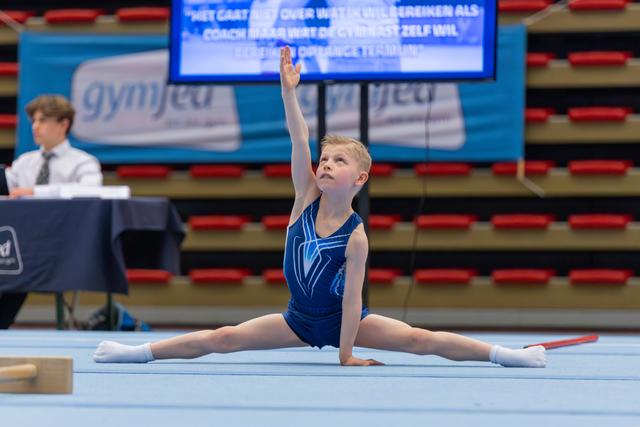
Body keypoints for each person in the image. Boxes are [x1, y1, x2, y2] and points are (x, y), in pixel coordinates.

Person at [93, 47, 546, 368]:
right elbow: (299, 137)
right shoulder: (304, 199)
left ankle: (506, 355)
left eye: (338, 161)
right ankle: (138, 353)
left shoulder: (356, 236)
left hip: (343, 322)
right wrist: (289, 93)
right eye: (325, 160)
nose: (326, 165)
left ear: (361, 179)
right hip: (297, 320)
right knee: (222, 337)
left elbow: (353, 302)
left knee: (420, 340)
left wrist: (346, 354)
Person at [0, 95, 103, 329]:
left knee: (18, 263)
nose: (36, 127)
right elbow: (7, 188)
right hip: (20, 244)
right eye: (34, 121)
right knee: (13, 258)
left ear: (63, 124)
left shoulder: (83, 163)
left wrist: (35, 191)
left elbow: (91, 190)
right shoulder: (24, 162)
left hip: (62, 247)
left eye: (43, 120)